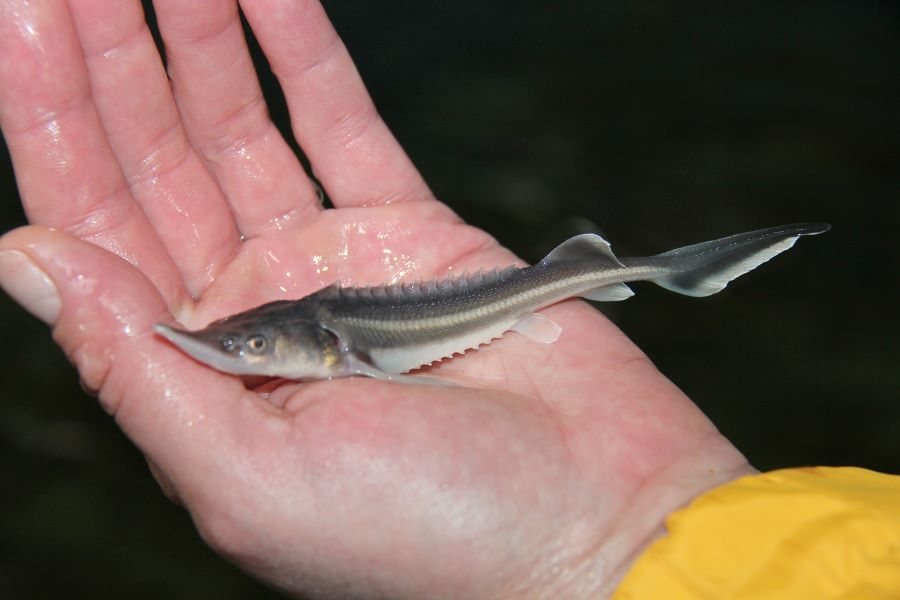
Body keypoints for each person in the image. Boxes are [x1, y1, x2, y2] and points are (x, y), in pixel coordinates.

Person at [0, 2, 896, 598]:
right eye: (250, 349)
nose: (246, 358)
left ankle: (683, 264)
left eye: (258, 349)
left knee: (623, 270)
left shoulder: (346, 347)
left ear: (322, 346)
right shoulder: (319, 337)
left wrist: (600, 556)